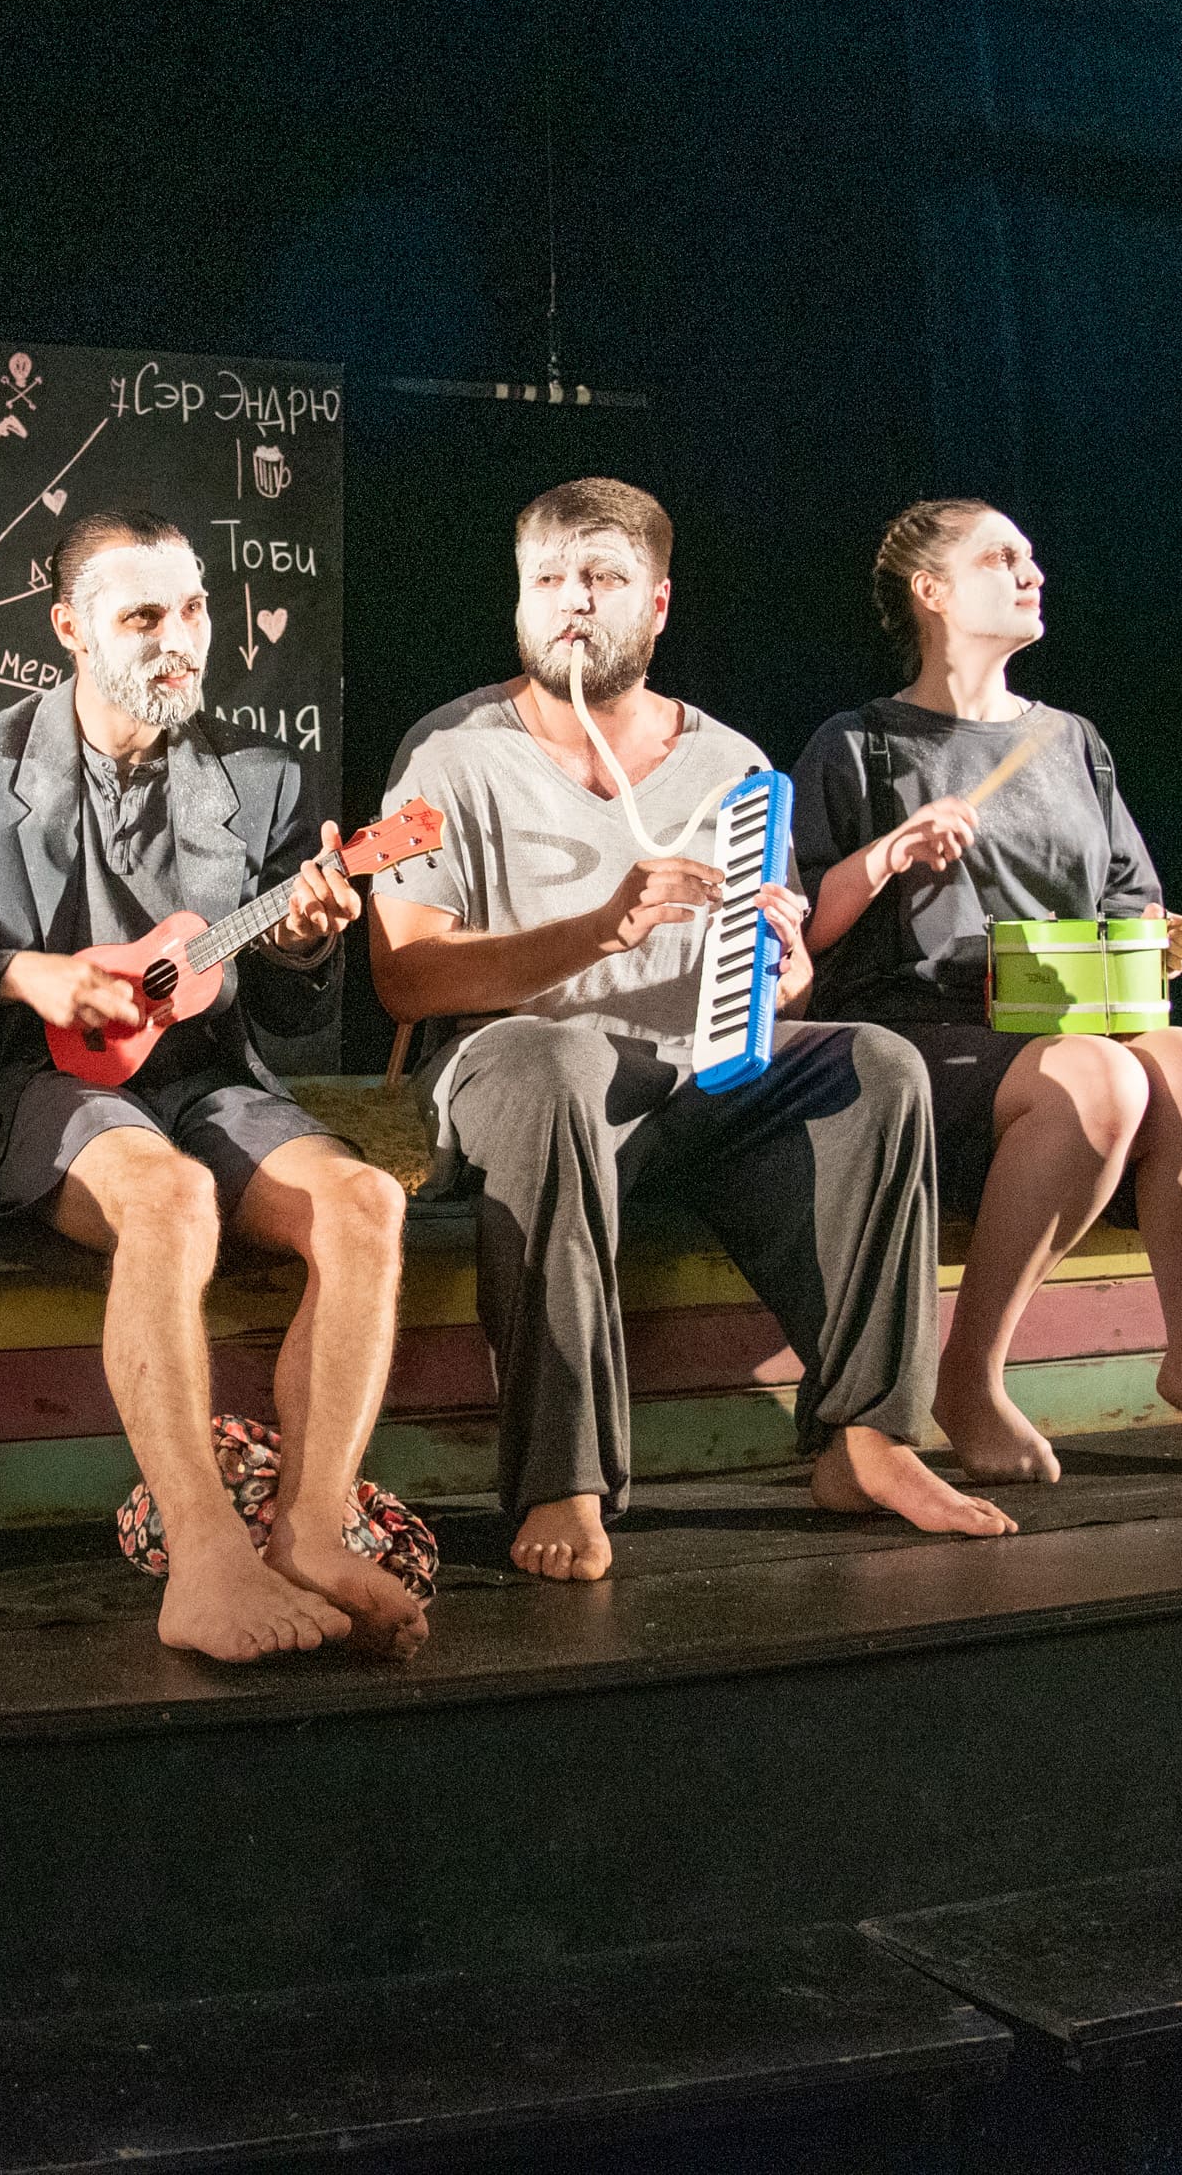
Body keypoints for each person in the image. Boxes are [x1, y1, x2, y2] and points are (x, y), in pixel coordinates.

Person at [369, 477, 1015, 1584]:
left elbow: (776, 983)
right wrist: (596, 930)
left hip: (691, 1080)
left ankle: (867, 1441)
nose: (572, 602)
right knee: (559, 1055)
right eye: (547, 580)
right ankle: (564, 1477)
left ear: (659, 605)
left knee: (876, 1063)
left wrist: (787, 974)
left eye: (602, 578)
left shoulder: (732, 765)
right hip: (525, 1076)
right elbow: (404, 977)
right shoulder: (448, 755)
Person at [0, 509, 423, 1661]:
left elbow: (294, 1018)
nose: (180, 638)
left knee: (366, 1204)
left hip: (206, 1082)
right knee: (167, 1198)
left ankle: (312, 1530)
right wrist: (21, 975)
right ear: (70, 628)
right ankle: (207, 1556)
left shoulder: (259, 779)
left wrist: (308, 945)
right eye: (142, 617)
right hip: (38, 1084)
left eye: (194, 609)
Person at [793, 498, 1182, 1486]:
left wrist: (1156, 943)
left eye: (1032, 557)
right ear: (930, 591)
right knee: (1101, 1079)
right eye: (1001, 558)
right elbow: (798, 933)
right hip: (917, 1034)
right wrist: (889, 853)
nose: (1031, 573)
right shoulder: (862, 744)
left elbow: (1126, 897)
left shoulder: (1071, 741)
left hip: (1059, 1024)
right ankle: (968, 1376)